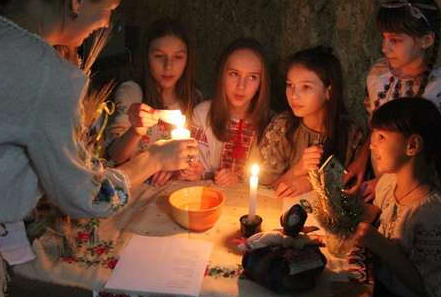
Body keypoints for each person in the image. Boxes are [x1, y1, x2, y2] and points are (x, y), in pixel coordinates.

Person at [0, 0, 196, 297]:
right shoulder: (49, 75)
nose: (105, 23)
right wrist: (154, 158)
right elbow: (89, 197)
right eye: (109, 9)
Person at [343, 0, 441, 196]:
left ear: (426, 40)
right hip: (378, 189)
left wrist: (388, 183)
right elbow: (378, 128)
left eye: (395, 40)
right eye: (384, 38)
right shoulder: (379, 76)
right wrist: (361, 160)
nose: (384, 48)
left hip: (415, 195)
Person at [354, 97, 441, 297]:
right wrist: (348, 207)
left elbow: (433, 292)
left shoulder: (431, 215)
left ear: (412, 145)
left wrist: (382, 246)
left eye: (381, 137)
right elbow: (380, 213)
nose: (371, 145)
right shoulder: (388, 183)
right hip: (378, 286)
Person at [106, 18, 202, 185]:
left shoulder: (194, 99)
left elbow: (195, 155)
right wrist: (136, 131)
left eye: (178, 57)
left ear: (187, 60)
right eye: (159, 56)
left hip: (175, 191)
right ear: (147, 57)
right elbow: (115, 155)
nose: (168, 66)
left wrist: (193, 169)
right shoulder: (132, 93)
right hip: (132, 189)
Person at [260, 46, 365, 197]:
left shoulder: (350, 135)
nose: (294, 95)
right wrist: (298, 169)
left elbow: (354, 192)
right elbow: (261, 190)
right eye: (290, 85)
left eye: (306, 87)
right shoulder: (282, 127)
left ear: (328, 91)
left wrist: (312, 183)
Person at [191, 38, 272, 185]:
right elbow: (197, 168)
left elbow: (271, 176)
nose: (241, 86)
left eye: (252, 77)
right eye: (234, 74)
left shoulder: (272, 124)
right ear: (222, 75)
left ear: (261, 83)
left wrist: (240, 180)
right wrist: (195, 172)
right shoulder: (202, 115)